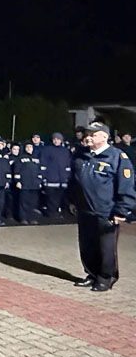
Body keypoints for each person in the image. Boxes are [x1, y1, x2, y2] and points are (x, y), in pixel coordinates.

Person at [69, 122, 136, 292]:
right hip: (85, 210)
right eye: (87, 135)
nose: (88, 138)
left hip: (106, 212)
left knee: (106, 248)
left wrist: (121, 211)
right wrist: (72, 201)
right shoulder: (80, 155)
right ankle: (92, 274)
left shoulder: (117, 157)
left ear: (105, 137)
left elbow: (126, 186)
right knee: (87, 246)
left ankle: (106, 278)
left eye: (93, 134)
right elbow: (74, 182)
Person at [41, 132, 72, 218]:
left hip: (62, 180)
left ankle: (56, 212)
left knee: (59, 197)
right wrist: (44, 177)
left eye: (58, 139)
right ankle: (50, 213)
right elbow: (43, 164)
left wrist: (67, 177)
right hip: (50, 178)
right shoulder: (47, 150)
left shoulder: (65, 151)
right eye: (54, 139)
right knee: (50, 197)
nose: (56, 141)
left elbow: (68, 165)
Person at [12, 142, 43, 224]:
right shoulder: (20, 159)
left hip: (34, 184)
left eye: (31, 147)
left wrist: (39, 182)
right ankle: (23, 218)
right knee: (23, 202)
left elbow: (39, 172)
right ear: (25, 148)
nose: (29, 149)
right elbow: (17, 171)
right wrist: (18, 181)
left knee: (33, 202)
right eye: (27, 147)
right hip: (24, 184)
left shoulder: (36, 159)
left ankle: (32, 218)